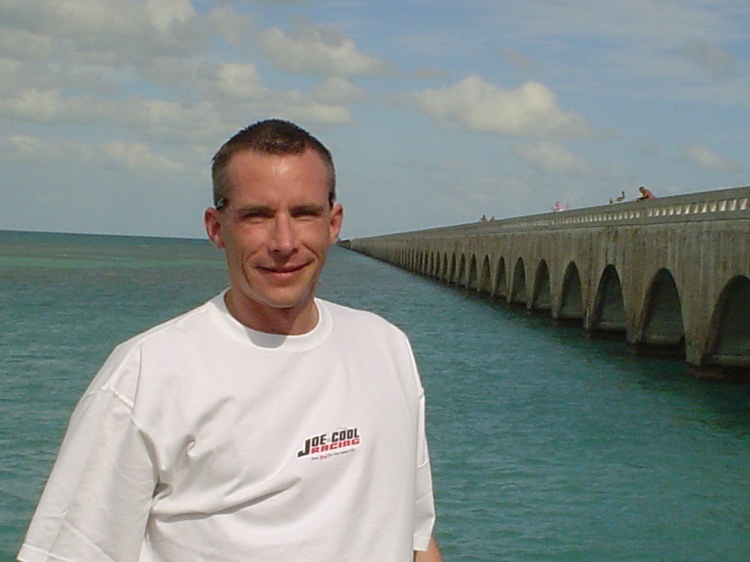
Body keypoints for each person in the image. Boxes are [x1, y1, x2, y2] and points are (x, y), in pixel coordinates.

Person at [18, 119, 442, 562]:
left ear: (333, 223)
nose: (284, 242)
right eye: (257, 216)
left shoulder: (387, 347)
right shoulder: (148, 372)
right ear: (217, 228)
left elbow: (414, 536)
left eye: (303, 213)